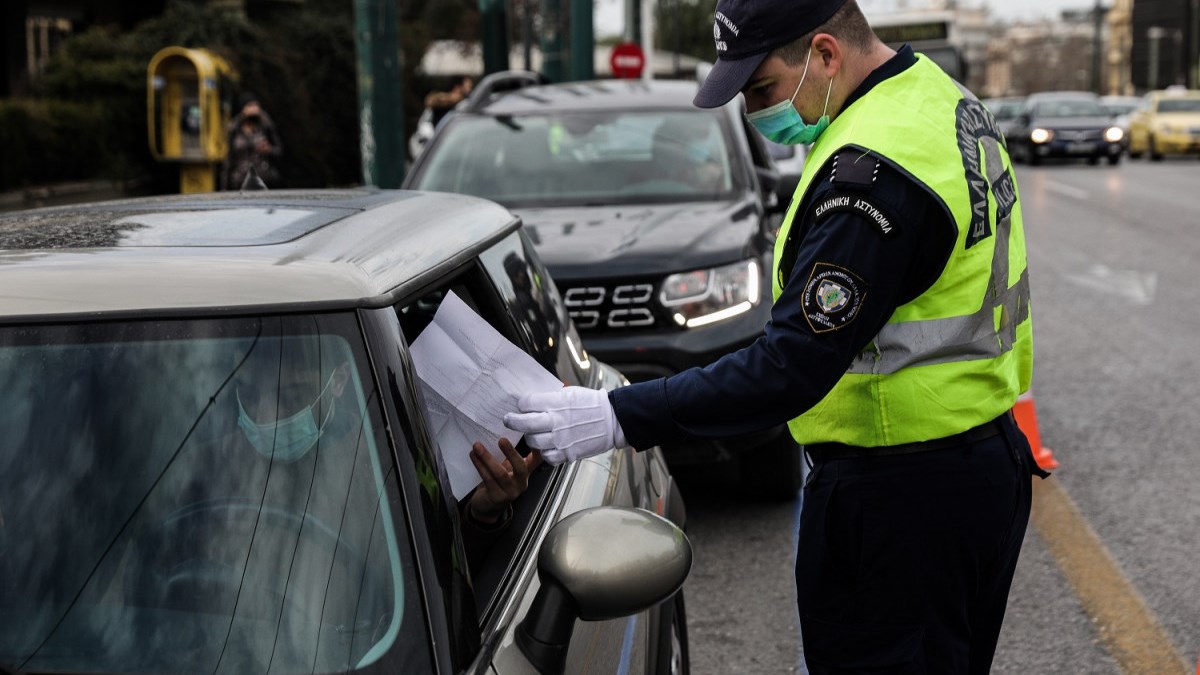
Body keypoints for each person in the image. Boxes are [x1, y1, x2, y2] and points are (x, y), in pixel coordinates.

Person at [503, 0, 1047, 673]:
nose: (754, 110)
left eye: (760, 87)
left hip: (902, 500)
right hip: (972, 469)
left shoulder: (872, 178)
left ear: (825, 54)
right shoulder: (935, 97)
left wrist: (616, 415)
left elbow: (788, 365)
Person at [222, 92, 283, 191]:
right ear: (243, 110)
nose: (254, 109)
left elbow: (279, 151)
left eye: (256, 105)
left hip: (264, 181)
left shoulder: (266, 126)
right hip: (240, 182)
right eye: (250, 105)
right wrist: (225, 186)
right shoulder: (234, 129)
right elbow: (229, 159)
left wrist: (268, 149)